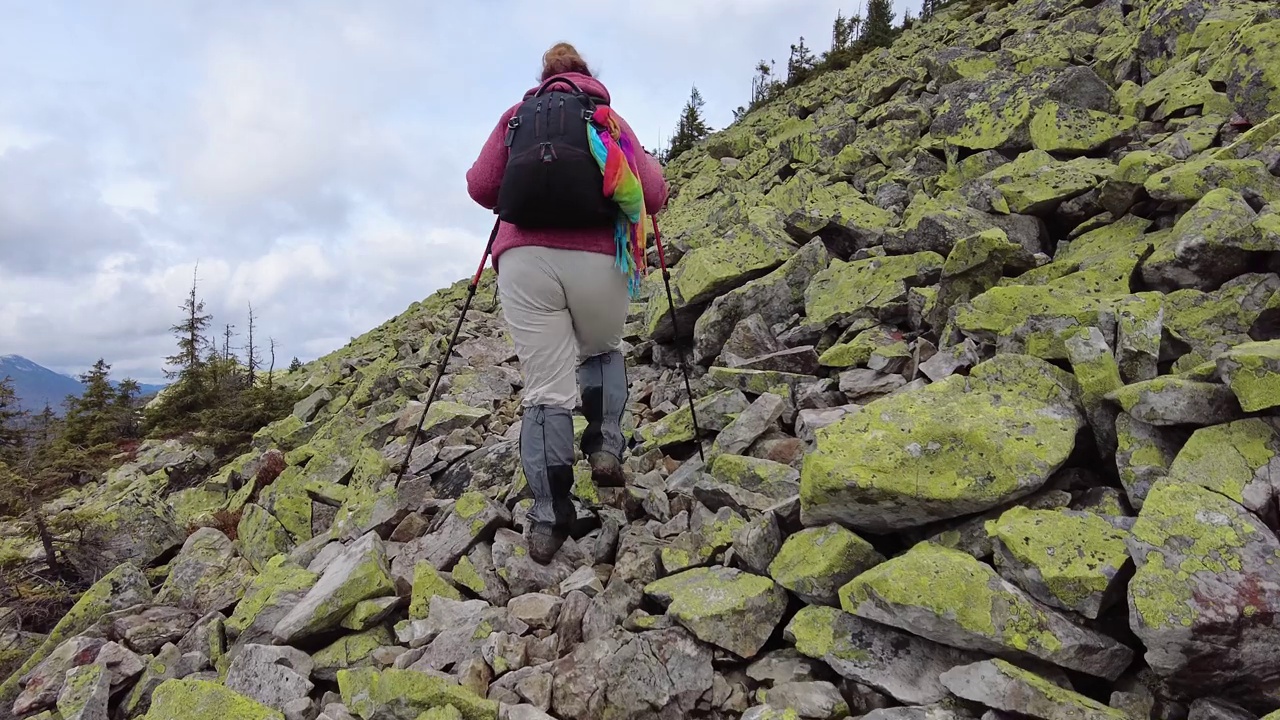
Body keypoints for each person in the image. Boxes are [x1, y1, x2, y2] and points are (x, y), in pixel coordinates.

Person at [466, 42, 669, 563]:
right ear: (586, 75)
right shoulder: (607, 118)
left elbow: (481, 185)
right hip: (599, 256)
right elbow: (652, 192)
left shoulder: (517, 117)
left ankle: (549, 517)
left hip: (524, 260)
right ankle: (604, 445)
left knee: (545, 390)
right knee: (602, 348)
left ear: (544, 77)